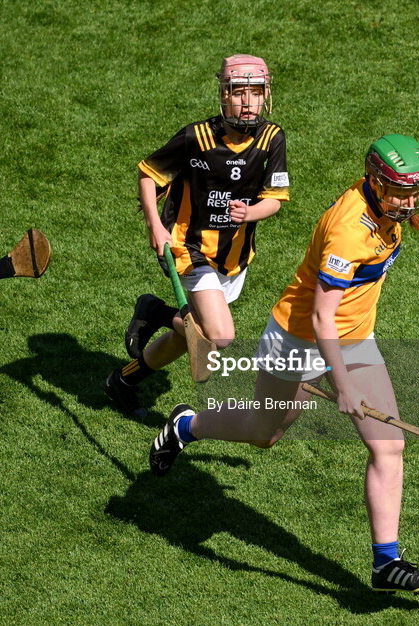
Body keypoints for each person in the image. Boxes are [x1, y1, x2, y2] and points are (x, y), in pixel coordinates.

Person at [147, 134, 419, 594]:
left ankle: (386, 562)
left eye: (413, 191)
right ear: (373, 179)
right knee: (266, 433)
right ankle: (187, 426)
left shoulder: (385, 209)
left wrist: (348, 363)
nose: (406, 201)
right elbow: (323, 314)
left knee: (389, 445)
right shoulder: (350, 228)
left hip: (356, 339)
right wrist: (341, 385)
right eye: (398, 190)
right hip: (299, 337)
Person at [106, 54, 290, 417]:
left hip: (235, 256)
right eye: (239, 92)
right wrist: (154, 225)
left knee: (187, 335)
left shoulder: (272, 137)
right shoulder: (196, 137)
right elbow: (148, 174)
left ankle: (124, 377)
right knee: (218, 336)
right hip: (189, 248)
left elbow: (276, 199)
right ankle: (158, 313)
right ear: (224, 95)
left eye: (256, 92)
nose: (248, 101)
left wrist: (250, 212)